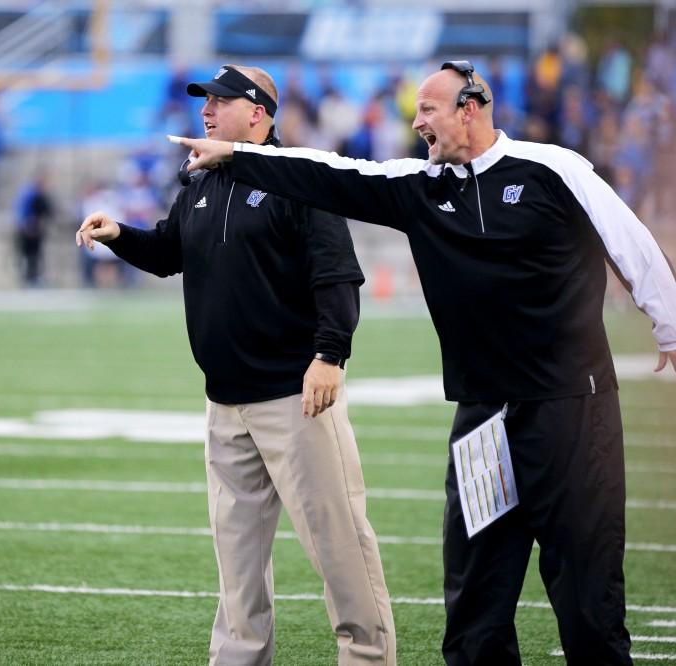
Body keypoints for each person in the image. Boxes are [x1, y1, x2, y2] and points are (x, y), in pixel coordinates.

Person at [172, 60, 676, 666]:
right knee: (476, 602)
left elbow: (629, 238)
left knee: (587, 591)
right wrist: (235, 155)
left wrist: (668, 323)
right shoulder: (421, 186)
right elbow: (333, 174)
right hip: (483, 418)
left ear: (470, 108)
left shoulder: (553, 168)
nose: (417, 124)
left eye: (428, 110)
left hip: (572, 408)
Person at [77, 64, 395, 666]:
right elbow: (172, 252)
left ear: (257, 112)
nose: (206, 110)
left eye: (220, 100)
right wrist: (120, 234)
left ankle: (369, 659)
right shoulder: (200, 178)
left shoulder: (301, 176)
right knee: (237, 565)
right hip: (224, 402)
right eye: (205, 100)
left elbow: (337, 276)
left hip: (294, 399)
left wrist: (330, 356)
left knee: (341, 550)